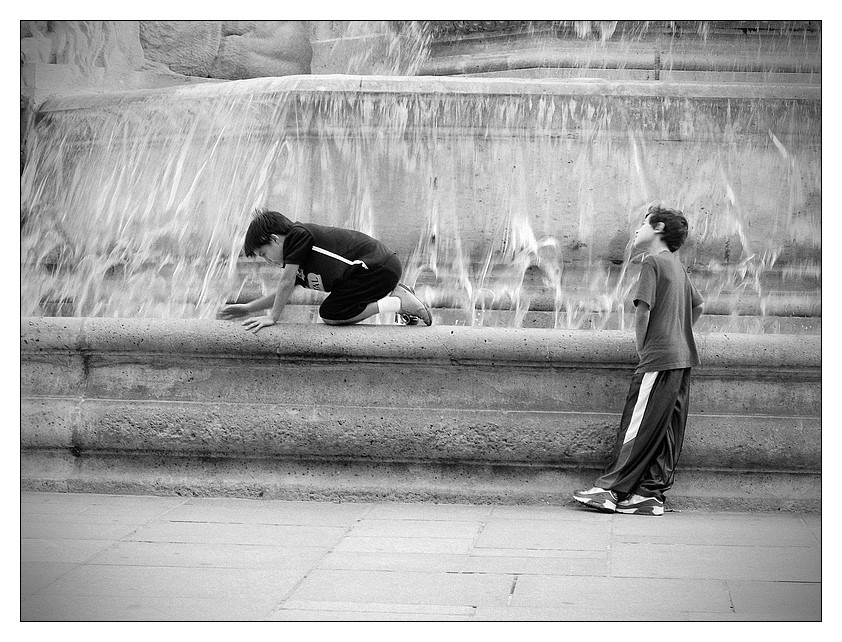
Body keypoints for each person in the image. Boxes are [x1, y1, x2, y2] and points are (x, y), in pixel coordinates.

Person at [573, 205, 704, 516]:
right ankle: (649, 494)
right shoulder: (678, 267)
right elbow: (699, 306)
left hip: (658, 359)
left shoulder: (653, 263)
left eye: (642, 224)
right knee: (666, 431)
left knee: (638, 426)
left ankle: (608, 491)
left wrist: (644, 347)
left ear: (657, 228)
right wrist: (677, 332)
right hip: (683, 357)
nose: (636, 230)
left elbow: (642, 310)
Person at [218, 208, 432, 332]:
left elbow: (285, 282)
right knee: (332, 312)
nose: (267, 261)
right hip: (371, 272)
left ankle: (397, 302)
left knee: (331, 314)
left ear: (274, 239)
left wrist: (273, 317)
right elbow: (284, 291)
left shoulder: (298, 236)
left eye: (263, 254)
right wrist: (249, 308)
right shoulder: (301, 261)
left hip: (377, 267)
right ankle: (398, 297)